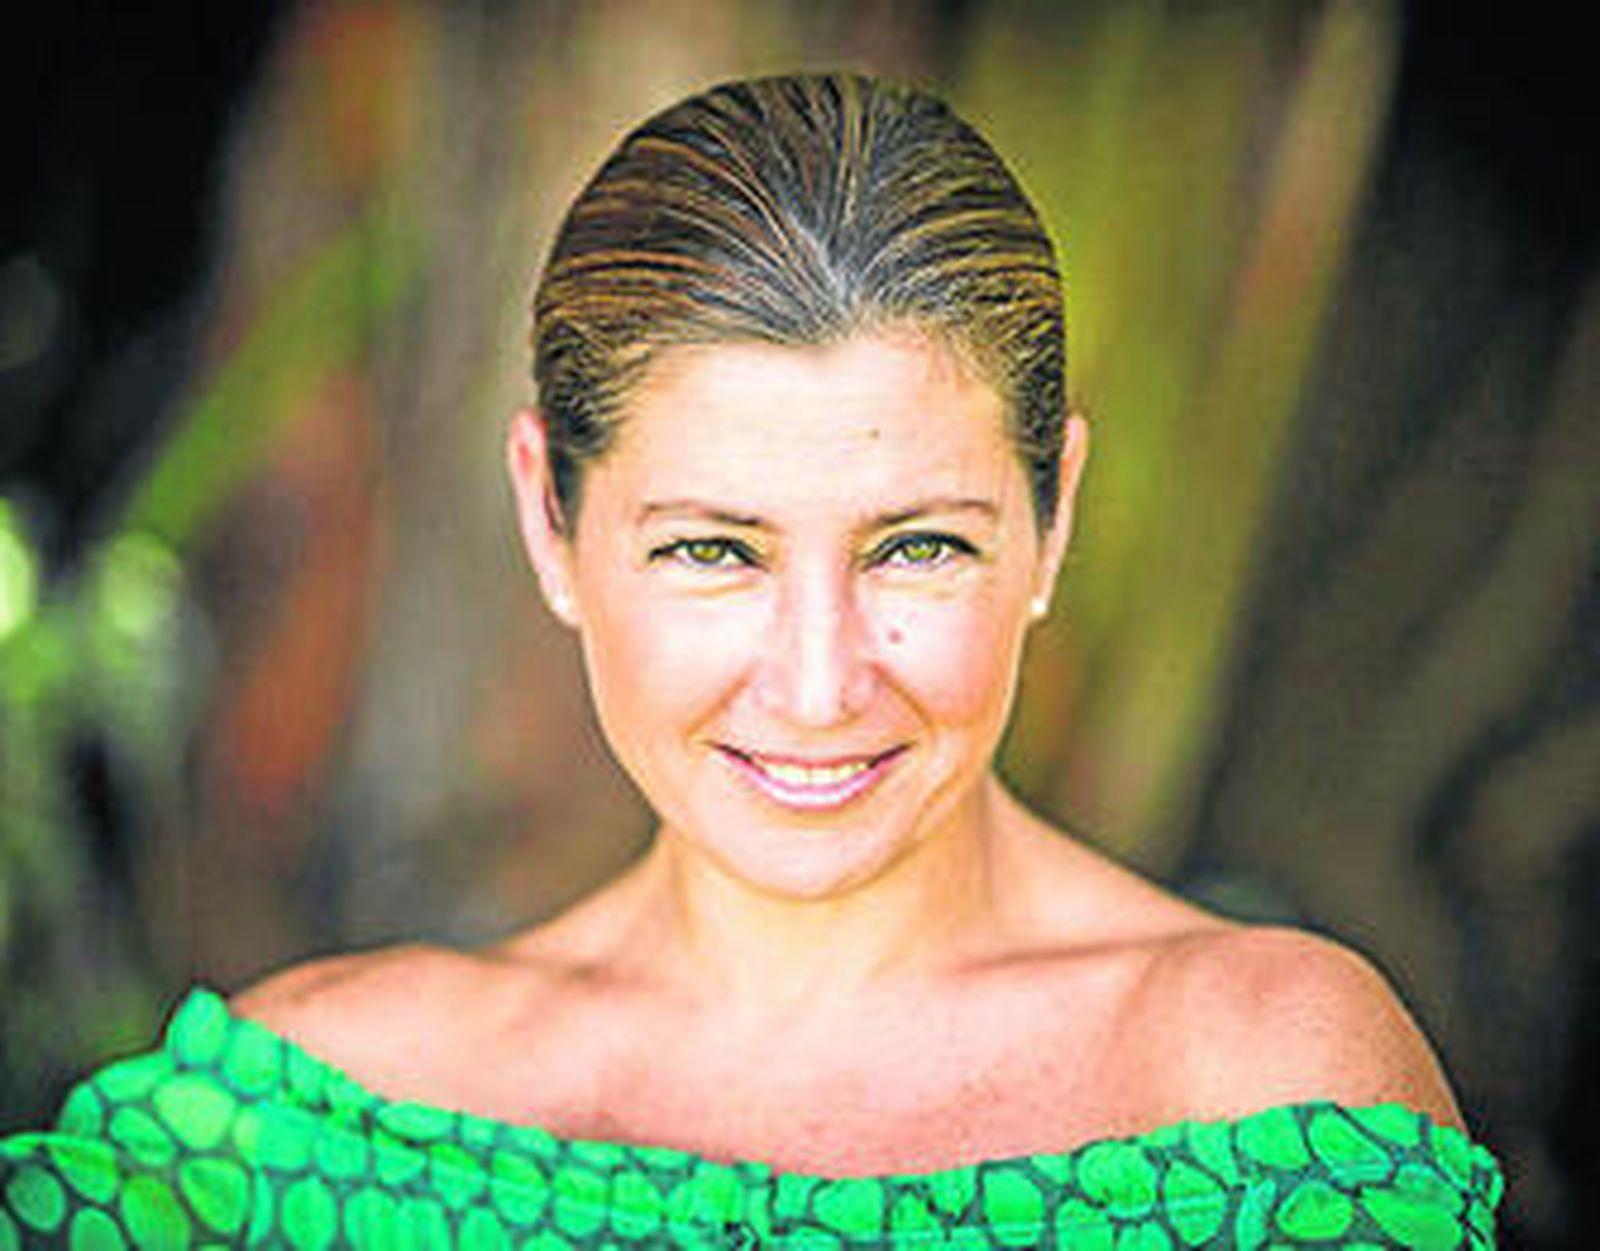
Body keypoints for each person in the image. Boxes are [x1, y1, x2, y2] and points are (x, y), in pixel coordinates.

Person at [1, 72, 1501, 1248]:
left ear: (1053, 520)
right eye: (714, 550)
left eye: (919, 547)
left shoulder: (1261, 1097)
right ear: (549, 522)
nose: (818, 685)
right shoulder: (301, 1132)